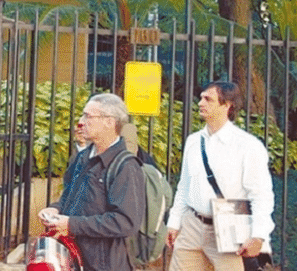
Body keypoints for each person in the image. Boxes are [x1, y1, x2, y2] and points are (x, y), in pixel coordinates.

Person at [165, 81, 274, 271]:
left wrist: (258, 235)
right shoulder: (193, 141)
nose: (200, 103)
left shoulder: (247, 146)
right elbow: (184, 186)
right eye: (200, 98)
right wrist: (174, 222)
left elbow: (261, 195)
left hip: (228, 228)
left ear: (227, 105)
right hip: (192, 224)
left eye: (208, 99)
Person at [38, 93, 146, 271]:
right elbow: (69, 196)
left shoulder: (125, 166)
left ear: (109, 122)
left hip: (106, 264)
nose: (81, 122)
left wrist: (72, 224)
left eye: (88, 116)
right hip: (75, 258)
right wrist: (55, 209)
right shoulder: (83, 157)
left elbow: (126, 222)